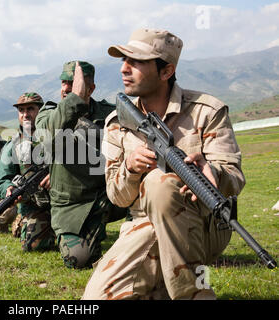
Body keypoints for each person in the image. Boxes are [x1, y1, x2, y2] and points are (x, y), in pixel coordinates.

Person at [82, 28, 246, 300]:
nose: (124, 69)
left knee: (160, 183)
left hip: (203, 224)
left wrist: (212, 172)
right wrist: (131, 169)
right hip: (143, 226)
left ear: (166, 71)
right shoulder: (117, 123)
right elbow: (117, 198)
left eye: (135, 62)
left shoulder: (207, 112)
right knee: (97, 299)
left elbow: (234, 179)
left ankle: (196, 294)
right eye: (123, 60)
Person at [35, 61, 128, 269]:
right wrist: (75, 98)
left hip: (108, 195)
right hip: (73, 205)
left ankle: (140, 236)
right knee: (78, 260)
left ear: (92, 88)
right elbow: (51, 137)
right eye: (65, 83)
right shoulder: (48, 113)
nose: (67, 88)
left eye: (74, 83)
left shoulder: (109, 113)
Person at [0, 92, 56, 252]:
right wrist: (8, 189)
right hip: (34, 207)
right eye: (21, 110)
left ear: (41, 111)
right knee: (33, 246)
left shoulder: (57, 136)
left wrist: (56, 176)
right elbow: (1, 181)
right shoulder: (12, 146)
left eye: (30, 109)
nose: (25, 114)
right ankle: (23, 221)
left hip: (63, 204)